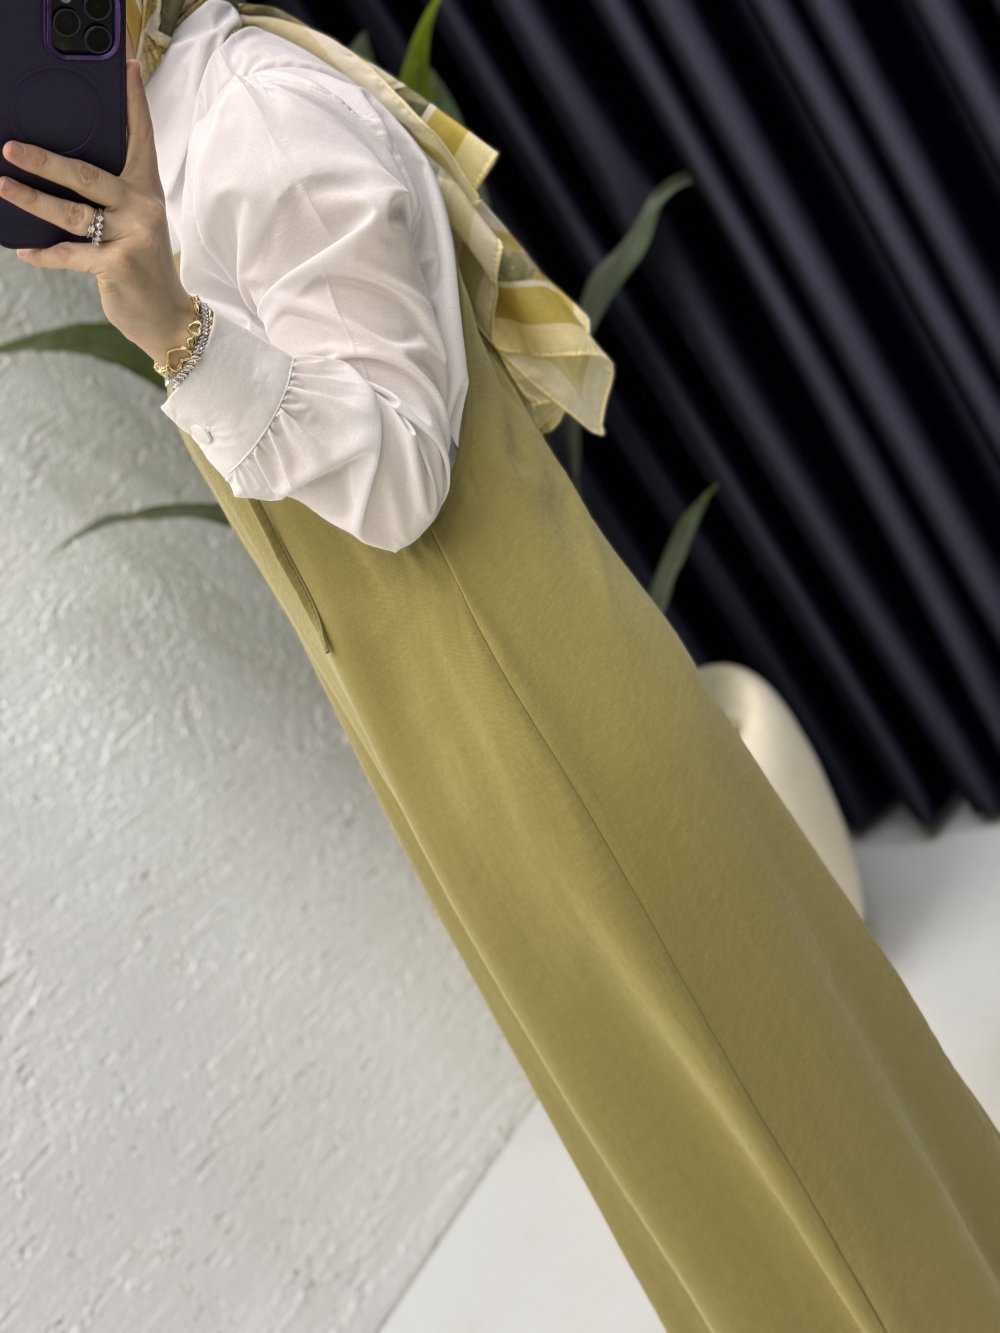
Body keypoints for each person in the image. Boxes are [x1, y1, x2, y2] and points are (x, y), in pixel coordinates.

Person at [6, 2, 1000, 1327]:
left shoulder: (254, 123)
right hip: (465, 737)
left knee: (790, 1135)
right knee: (710, 1148)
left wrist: (182, 335)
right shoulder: (177, 164)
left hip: (540, 726)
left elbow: (400, 475)